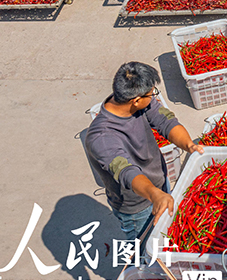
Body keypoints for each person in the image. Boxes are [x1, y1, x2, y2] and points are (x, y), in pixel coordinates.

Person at [85, 62, 203, 240]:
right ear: (136, 100)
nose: (153, 97)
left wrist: (189, 145)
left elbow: (166, 121)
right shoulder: (101, 137)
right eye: (151, 94)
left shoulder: (137, 103)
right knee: (145, 250)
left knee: (168, 236)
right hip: (137, 205)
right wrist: (155, 194)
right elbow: (127, 171)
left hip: (159, 186)